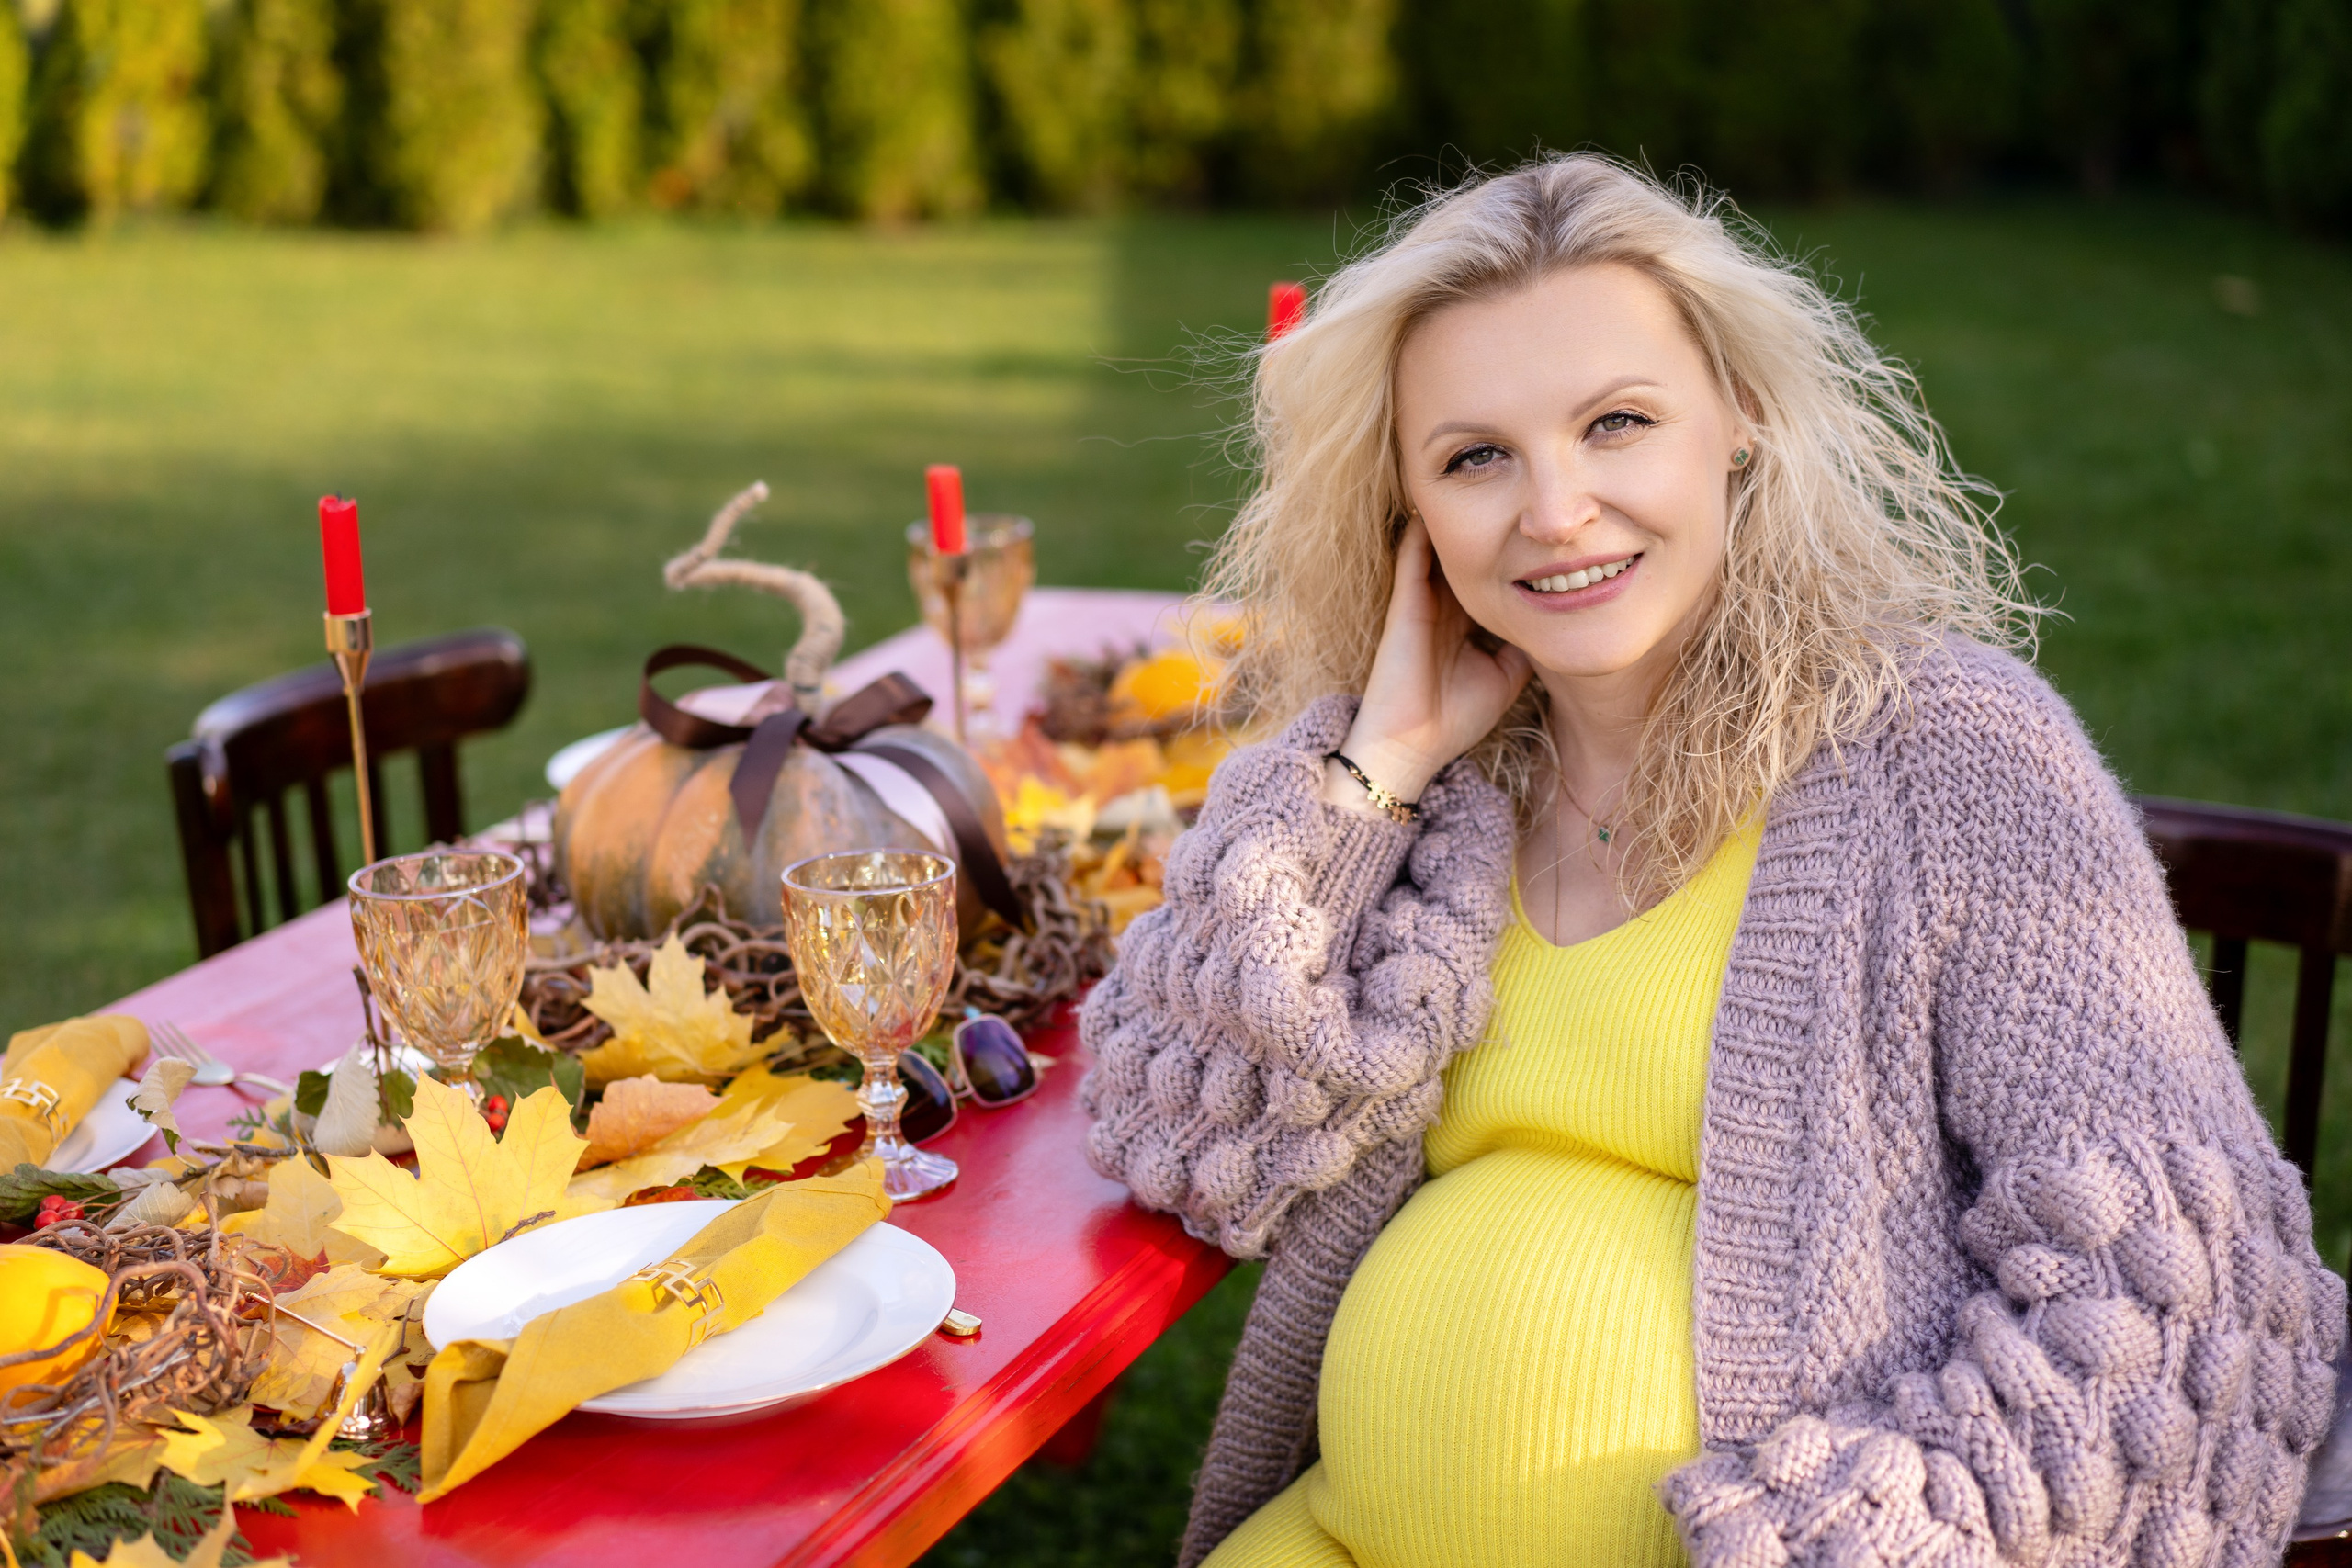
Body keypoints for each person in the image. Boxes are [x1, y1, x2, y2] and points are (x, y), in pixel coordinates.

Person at [1080, 155, 2342, 1568]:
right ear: (1408, 513)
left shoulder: (1946, 758)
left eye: (1616, 424)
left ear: (1736, 423)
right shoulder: (1422, 785)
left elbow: (2190, 1308)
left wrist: (1849, 1542)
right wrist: (1373, 772)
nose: (1553, 511)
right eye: (1474, 456)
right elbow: (1181, 1136)